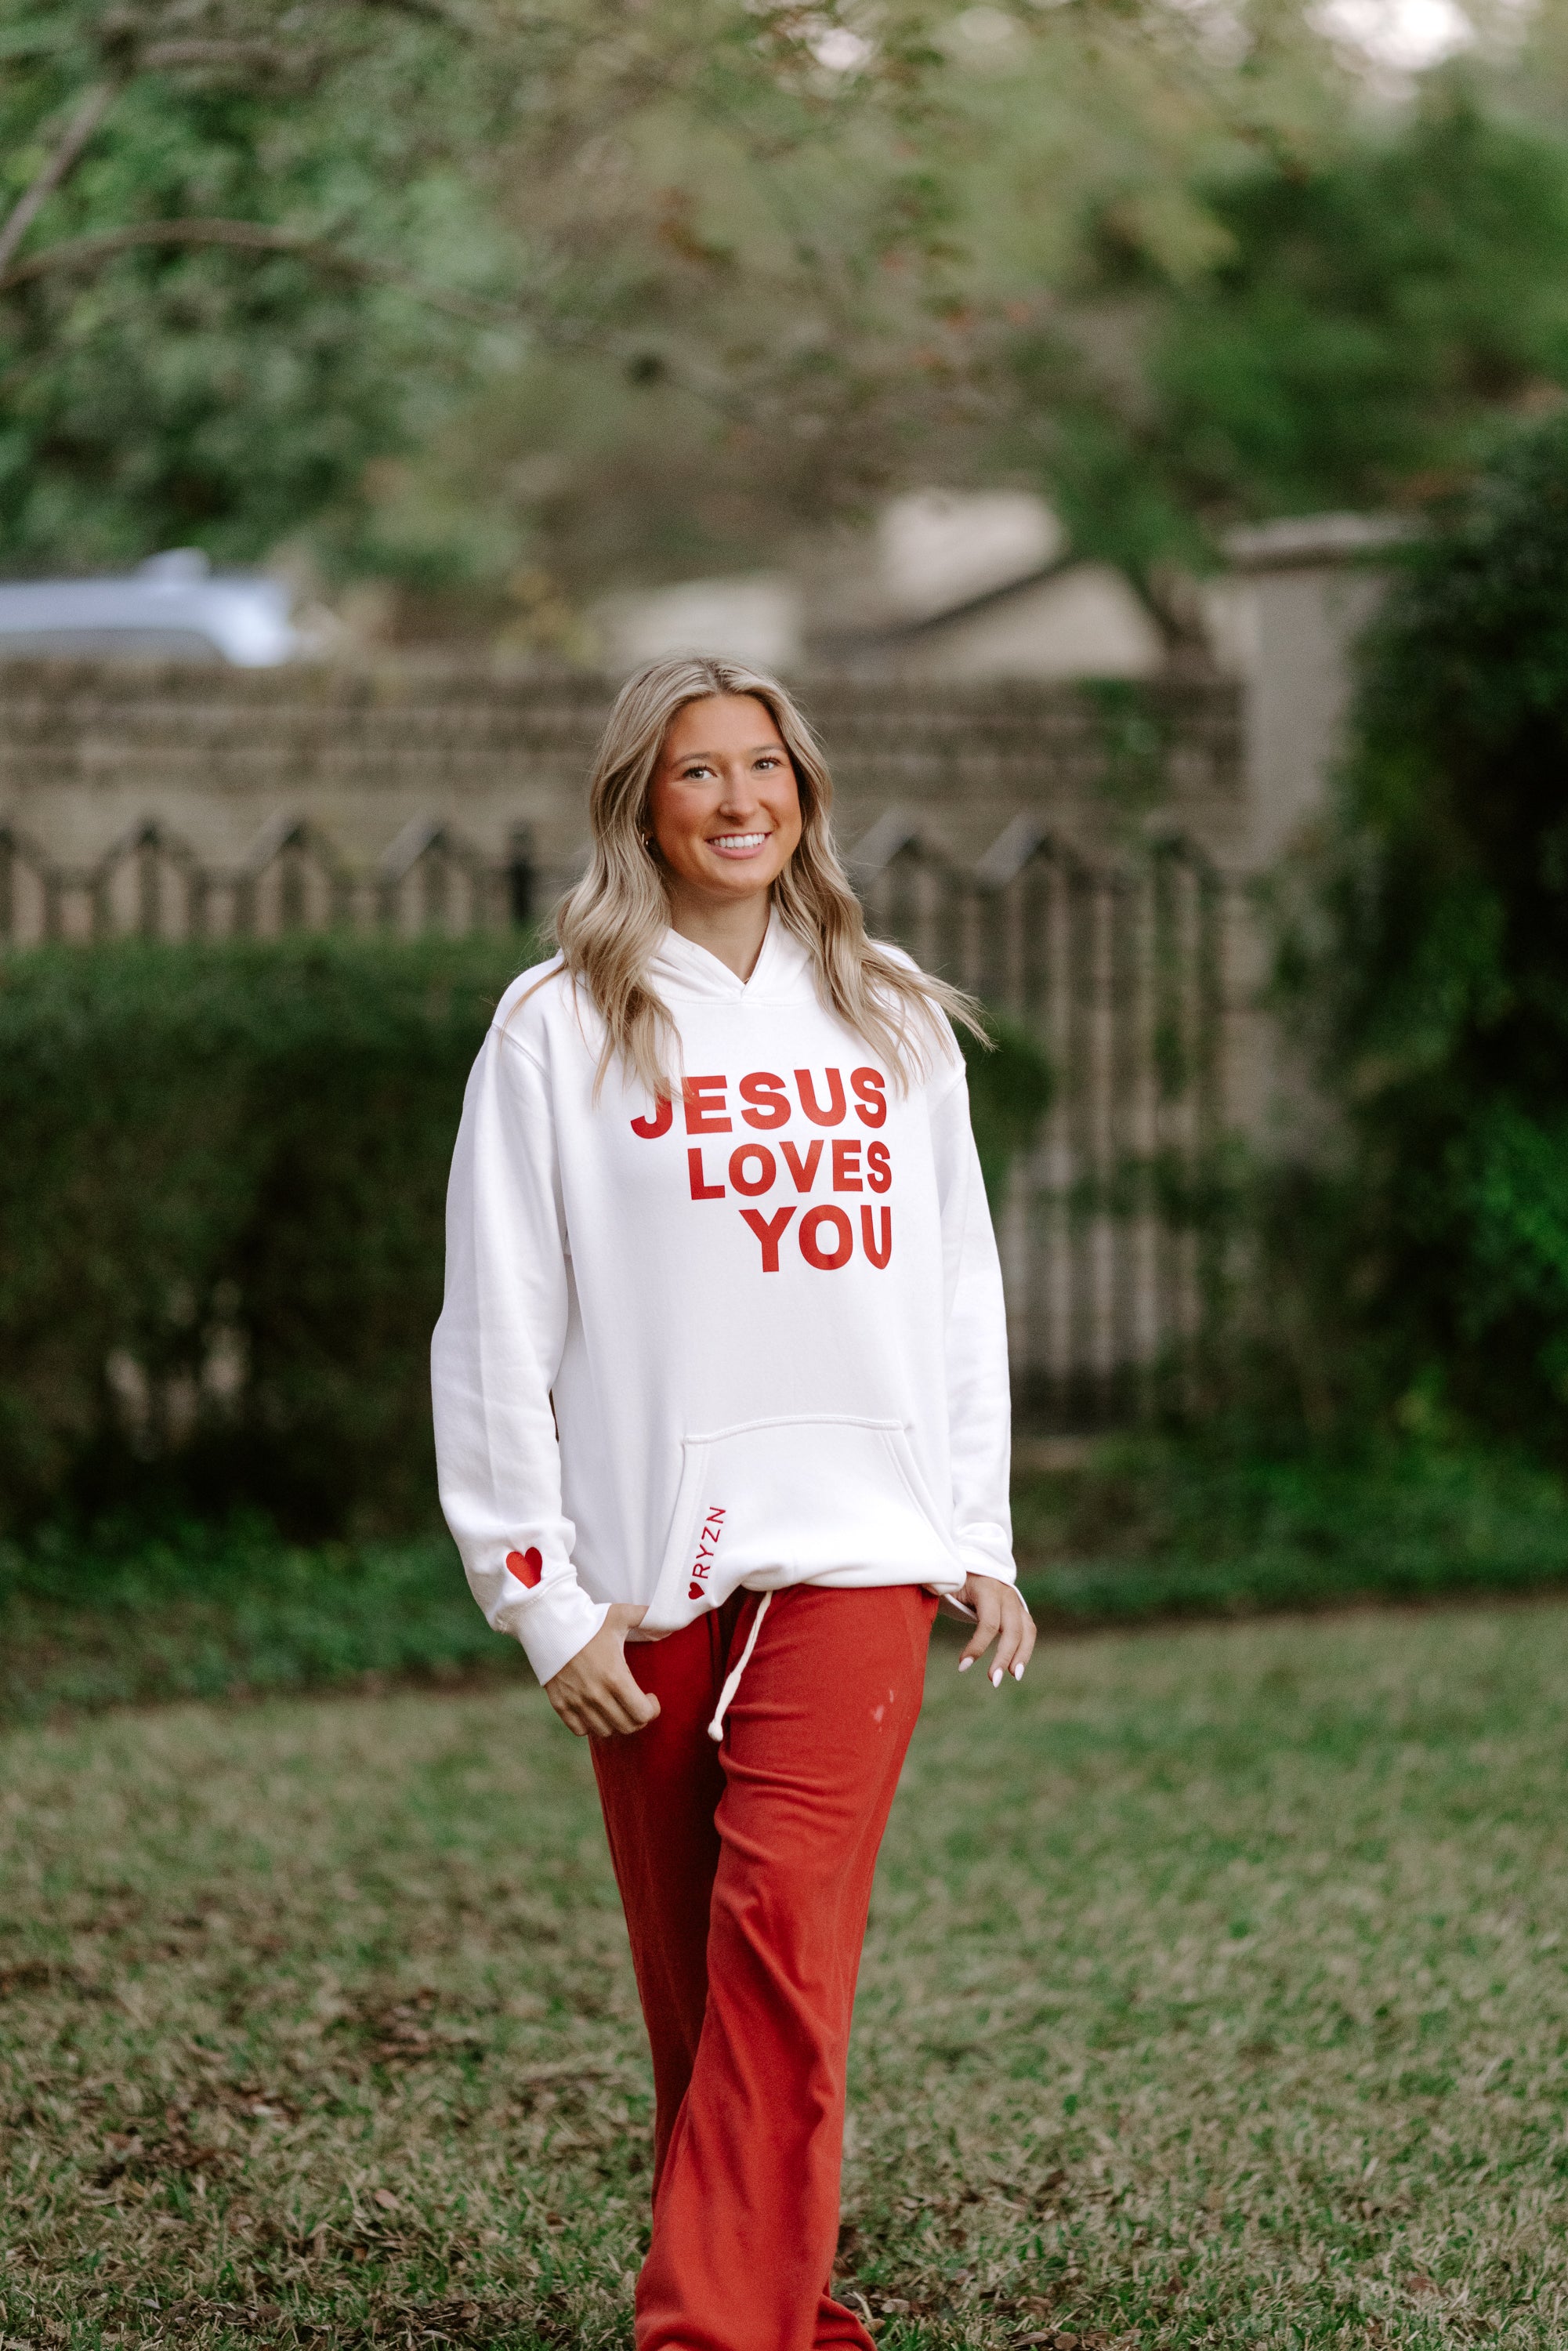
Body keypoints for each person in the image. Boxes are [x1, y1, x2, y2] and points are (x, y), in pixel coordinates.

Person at [431, 655, 1034, 2351]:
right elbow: (494, 1321)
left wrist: (973, 1536)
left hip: (858, 1554)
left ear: (804, 792)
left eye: (763, 765)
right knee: (700, 1994)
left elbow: (956, 1291)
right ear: (641, 802)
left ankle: (704, 2334)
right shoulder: (557, 1023)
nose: (737, 798)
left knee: (778, 1946)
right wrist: (537, 1591)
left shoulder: (890, 1011)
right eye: (697, 770)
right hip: (641, 1576)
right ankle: (786, 2313)